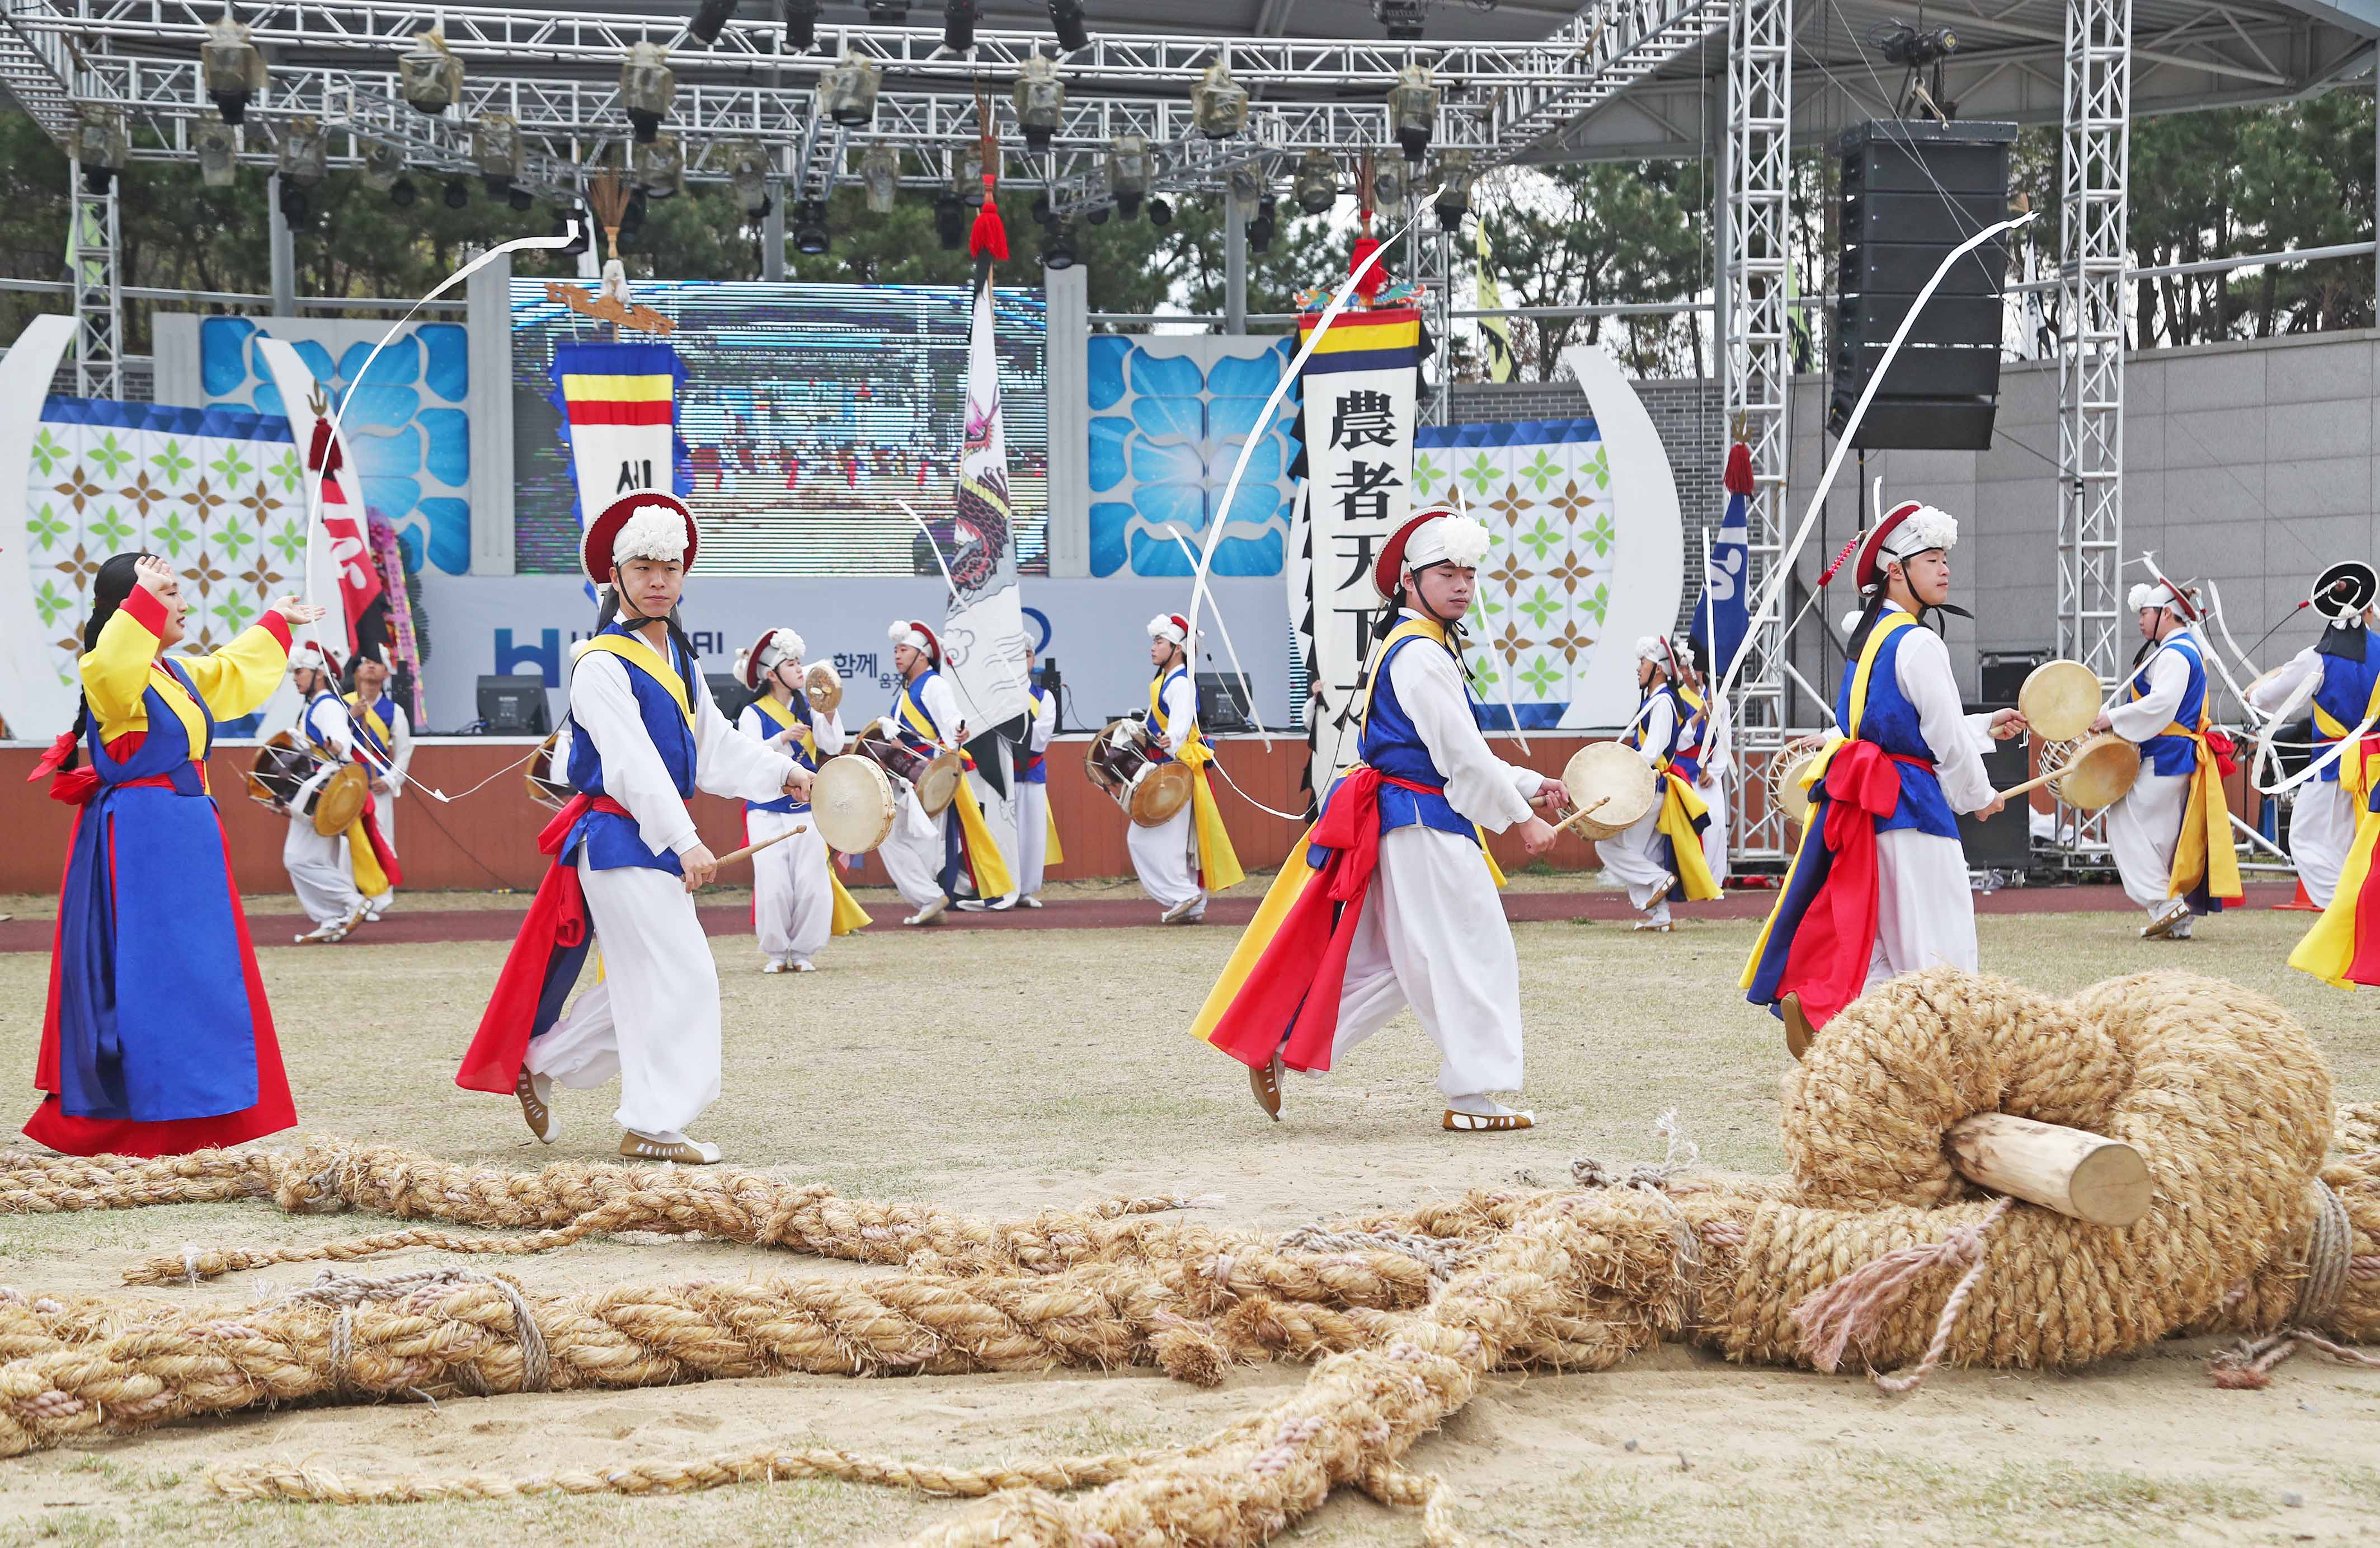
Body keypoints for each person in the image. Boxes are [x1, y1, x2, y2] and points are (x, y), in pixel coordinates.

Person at [456, 492, 809, 1166]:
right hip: (619, 842)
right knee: (686, 977)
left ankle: (544, 1061)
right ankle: (652, 1122)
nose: (658, 581)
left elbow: (716, 748)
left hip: (644, 841)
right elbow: (631, 766)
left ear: (683, 576)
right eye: (644, 567)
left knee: (647, 982)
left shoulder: (680, 657)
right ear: (615, 576)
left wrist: (787, 776)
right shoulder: (599, 662)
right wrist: (686, 841)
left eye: (670, 568)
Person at [1192, 508, 1567, 1132]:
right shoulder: (1422, 653)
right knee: (1474, 951)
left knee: (1398, 962)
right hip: (1424, 822)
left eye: (1470, 574)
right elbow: (1462, 756)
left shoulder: (1416, 646)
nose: (1462, 585)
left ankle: (1283, 1046)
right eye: (1446, 572)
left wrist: (1530, 786)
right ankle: (1473, 1098)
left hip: (1406, 820)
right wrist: (1522, 817)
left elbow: (1455, 747)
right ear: (1411, 582)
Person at [24, 553, 324, 1156]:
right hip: (144, 840)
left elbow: (232, 671)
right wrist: (142, 600)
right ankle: (150, 1119)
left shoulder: (173, 674)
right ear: (125, 612)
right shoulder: (108, 677)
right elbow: (112, 662)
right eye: (165, 592)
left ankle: (199, 1114)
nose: (180, 601)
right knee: (157, 974)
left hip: (184, 836)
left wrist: (276, 622)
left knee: (199, 972)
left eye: (178, 590)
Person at [1743, 501, 2024, 1055]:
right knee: (1939, 947)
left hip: (1873, 812)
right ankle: (1946, 1059)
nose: (1945, 570)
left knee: (1886, 945)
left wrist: (1984, 726)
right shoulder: (1920, 643)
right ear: (1896, 570)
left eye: (1946, 560)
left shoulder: (1870, 642)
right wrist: (1980, 796)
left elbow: (1897, 730)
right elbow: (1940, 740)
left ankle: (1840, 1032)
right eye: (1933, 559)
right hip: (1916, 810)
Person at [2095, 570, 2242, 940]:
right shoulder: (2183, 649)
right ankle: (2178, 916)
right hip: (2176, 755)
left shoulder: (2176, 653)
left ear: (2168, 614)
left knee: (2123, 820)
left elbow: (2162, 705)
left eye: (2147, 611)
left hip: (2165, 755)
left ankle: (2165, 903)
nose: (2141, 619)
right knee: (2163, 839)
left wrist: (2111, 718)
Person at [732, 626, 867, 972]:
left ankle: (805, 951)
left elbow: (834, 746)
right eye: (792, 665)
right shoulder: (753, 713)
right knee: (773, 882)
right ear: (772, 674)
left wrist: (830, 709)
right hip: (764, 810)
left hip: (808, 806)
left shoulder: (810, 706)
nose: (800, 670)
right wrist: (781, 738)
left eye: (799, 663)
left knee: (812, 881)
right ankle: (777, 953)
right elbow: (745, 757)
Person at [2246, 565, 2379, 909]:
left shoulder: (2318, 659)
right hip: (2375, 767)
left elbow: (2272, 697)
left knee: (2306, 840)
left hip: (2333, 769)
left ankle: (2347, 911)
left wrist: (2254, 696)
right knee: (2361, 846)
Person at [872, 619, 1014, 925]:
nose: (897, 656)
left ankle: (931, 897)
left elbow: (952, 718)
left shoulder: (934, 684)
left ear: (922, 655)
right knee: (902, 839)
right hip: (913, 779)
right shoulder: (908, 691)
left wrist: (958, 731)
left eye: (903, 650)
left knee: (910, 842)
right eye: (895, 650)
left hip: (928, 778)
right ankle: (932, 898)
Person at [1120, 613, 1246, 923]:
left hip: (1176, 770)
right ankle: (1194, 902)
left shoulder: (1181, 685)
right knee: (1180, 842)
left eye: (1159, 642)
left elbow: (1178, 731)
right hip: (1174, 768)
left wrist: (1169, 740)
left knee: (1143, 838)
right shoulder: (1167, 681)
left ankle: (1182, 895)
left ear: (1177, 648)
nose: (1153, 648)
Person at [1597, 635, 1723, 932]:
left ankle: (1656, 882)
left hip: (1649, 787)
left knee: (1608, 846)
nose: (1638, 668)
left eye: (1643, 662)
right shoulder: (1662, 701)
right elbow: (1679, 740)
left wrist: (1621, 773)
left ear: (1659, 669)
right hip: (1654, 787)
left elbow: (1653, 751)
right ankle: (1661, 915)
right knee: (1643, 854)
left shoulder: (1663, 702)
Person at [282, 639, 374, 944]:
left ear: (318, 674)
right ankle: (332, 918)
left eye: (300, 672)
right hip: (319, 791)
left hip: (323, 792)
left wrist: (335, 744)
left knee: (297, 858)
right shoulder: (316, 706)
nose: (295, 677)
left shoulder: (326, 705)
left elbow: (340, 745)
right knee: (315, 858)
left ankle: (350, 903)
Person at [343, 644, 413, 921]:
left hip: (377, 783)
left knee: (380, 837)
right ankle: (351, 898)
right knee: (347, 843)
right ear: (357, 670)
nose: (371, 666)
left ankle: (379, 897)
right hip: (348, 783)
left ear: (386, 673)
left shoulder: (393, 710)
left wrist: (392, 779)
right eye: (366, 662)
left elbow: (405, 749)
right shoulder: (342, 703)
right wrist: (352, 716)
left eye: (377, 663)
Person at [1013, 644, 1063, 908]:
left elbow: (1042, 735)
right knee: (1005, 832)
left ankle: (1026, 889)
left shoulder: (1044, 697)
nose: (1023, 660)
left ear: (1034, 660)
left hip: (1032, 771)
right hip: (1003, 774)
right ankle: (1003, 887)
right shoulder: (999, 697)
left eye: (1028, 654)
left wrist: (1016, 738)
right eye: (1017, 654)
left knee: (1032, 831)